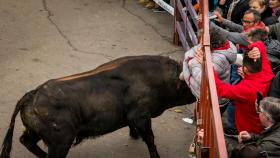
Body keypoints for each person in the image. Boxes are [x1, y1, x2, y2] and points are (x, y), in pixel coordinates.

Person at [213, 41, 275, 134]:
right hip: (260, 123)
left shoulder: (245, 88)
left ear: (244, 68)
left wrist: (209, 67)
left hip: (248, 129)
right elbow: (260, 44)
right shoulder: (266, 71)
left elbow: (220, 89)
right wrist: (256, 49)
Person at [181, 28, 238, 114]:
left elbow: (202, 78)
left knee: (208, 123)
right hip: (208, 95)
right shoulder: (221, 45)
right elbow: (193, 51)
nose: (199, 46)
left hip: (214, 100)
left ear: (210, 45)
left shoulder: (219, 59)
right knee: (201, 117)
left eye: (202, 43)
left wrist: (194, 62)